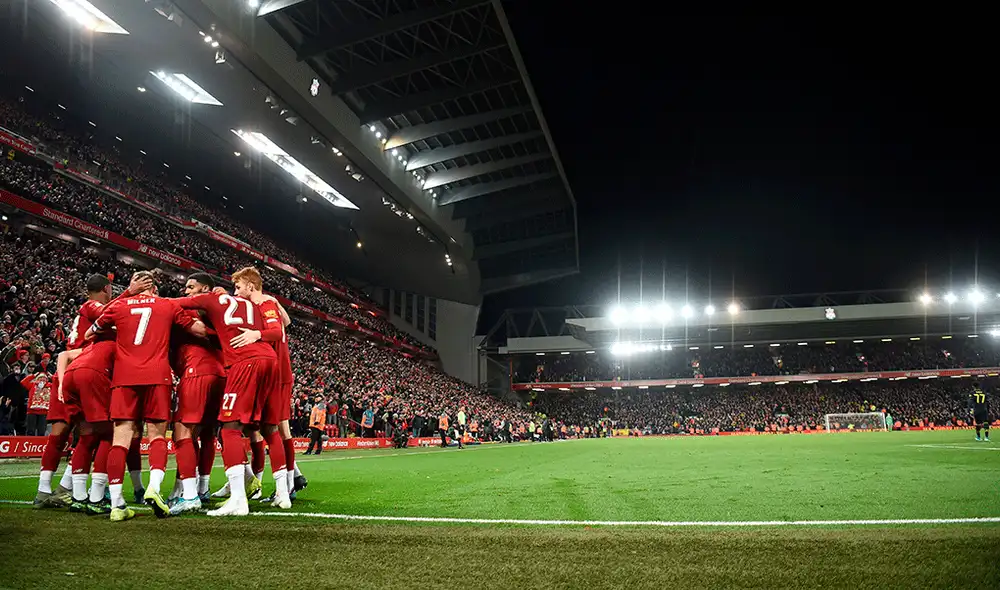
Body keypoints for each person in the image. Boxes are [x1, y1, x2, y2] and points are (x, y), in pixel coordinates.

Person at [87, 271, 206, 522]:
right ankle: (154, 488)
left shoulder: (119, 305)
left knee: (120, 439)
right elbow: (199, 329)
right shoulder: (166, 305)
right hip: (157, 377)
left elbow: (90, 332)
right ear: (154, 288)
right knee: (157, 436)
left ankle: (117, 504)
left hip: (123, 378)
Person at [176, 267, 288, 516]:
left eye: (238, 286)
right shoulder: (258, 306)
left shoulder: (223, 300)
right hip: (271, 362)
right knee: (268, 428)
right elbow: (282, 325)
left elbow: (176, 304)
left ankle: (238, 498)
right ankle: (282, 491)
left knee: (229, 427)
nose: (234, 291)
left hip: (245, 363)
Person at [225, 268, 307, 502]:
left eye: (238, 287)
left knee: (279, 429)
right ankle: (283, 479)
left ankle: (289, 483)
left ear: (250, 286)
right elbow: (287, 322)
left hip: (276, 372)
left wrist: (255, 334)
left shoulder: (263, 305)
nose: (236, 293)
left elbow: (274, 331)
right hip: (271, 371)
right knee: (263, 429)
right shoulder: (266, 304)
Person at [165, 273, 226, 515]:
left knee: (183, 432)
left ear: (205, 289)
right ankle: (201, 487)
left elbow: (197, 328)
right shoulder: (219, 311)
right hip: (220, 373)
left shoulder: (190, 310)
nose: (186, 291)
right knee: (208, 433)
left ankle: (188, 494)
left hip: (196, 372)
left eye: (191, 287)